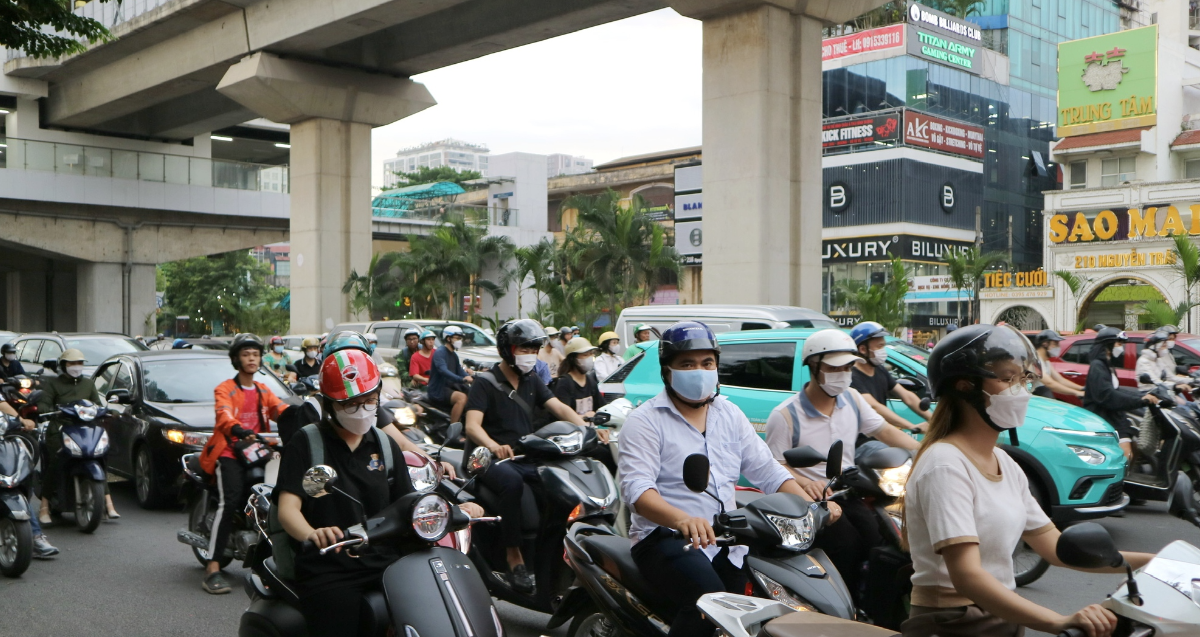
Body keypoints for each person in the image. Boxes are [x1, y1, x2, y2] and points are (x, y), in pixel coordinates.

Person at [902, 324, 1153, 637]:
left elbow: (1055, 548)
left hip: (1002, 616)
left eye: (1023, 379)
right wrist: (1057, 621)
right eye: (1008, 379)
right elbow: (966, 575)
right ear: (966, 386)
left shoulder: (1005, 463)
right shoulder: (945, 465)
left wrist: (1159, 563)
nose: (1020, 391)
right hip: (952, 621)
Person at [619, 321, 837, 637]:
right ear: (668, 370)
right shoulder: (645, 421)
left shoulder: (729, 414)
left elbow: (768, 470)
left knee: (759, 604)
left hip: (727, 539)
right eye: (687, 364)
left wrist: (812, 504)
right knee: (708, 603)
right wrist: (683, 520)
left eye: (707, 363)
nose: (699, 371)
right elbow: (638, 492)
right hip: (666, 539)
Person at [275, 346, 483, 637]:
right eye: (351, 404)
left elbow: (409, 503)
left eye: (369, 401)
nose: (362, 410)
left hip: (386, 561)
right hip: (331, 565)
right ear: (329, 404)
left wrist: (457, 510)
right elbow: (287, 508)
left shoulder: (385, 445)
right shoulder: (306, 443)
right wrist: (312, 534)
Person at [764, 329, 919, 600]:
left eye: (848, 367)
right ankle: (842, 607)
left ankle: (873, 604)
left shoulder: (852, 399)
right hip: (808, 501)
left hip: (846, 492)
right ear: (813, 366)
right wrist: (805, 482)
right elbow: (773, 465)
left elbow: (884, 431)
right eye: (835, 367)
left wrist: (927, 452)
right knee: (846, 545)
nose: (844, 374)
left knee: (881, 540)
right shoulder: (786, 415)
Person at [463, 319, 593, 593]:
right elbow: (472, 425)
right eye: (524, 347)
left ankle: (551, 554)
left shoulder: (532, 379)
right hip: (488, 458)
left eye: (534, 348)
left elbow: (559, 408)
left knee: (560, 483)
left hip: (524, 456)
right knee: (512, 484)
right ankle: (514, 557)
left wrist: (588, 428)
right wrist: (493, 445)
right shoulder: (485, 383)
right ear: (508, 350)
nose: (530, 353)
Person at [198, 333, 293, 594]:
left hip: (258, 452)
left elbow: (280, 410)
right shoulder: (225, 388)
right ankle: (213, 568)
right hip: (229, 452)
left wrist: (303, 414)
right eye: (245, 354)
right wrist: (238, 429)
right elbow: (224, 414)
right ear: (236, 359)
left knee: (277, 498)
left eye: (255, 354)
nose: (251, 358)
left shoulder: (264, 390)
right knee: (228, 502)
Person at [37, 349, 120, 523]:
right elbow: (44, 405)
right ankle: (44, 507)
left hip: (85, 429)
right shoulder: (53, 384)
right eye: (72, 363)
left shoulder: (88, 384)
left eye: (79, 363)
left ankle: (108, 503)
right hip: (60, 429)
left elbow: (97, 405)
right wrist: (50, 411)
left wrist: (108, 411)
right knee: (55, 462)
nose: (76, 367)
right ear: (63, 365)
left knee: (99, 458)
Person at [1081, 327, 1157, 460]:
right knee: (1125, 456)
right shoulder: (1097, 367)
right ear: (1108, 345)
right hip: (1105, 418)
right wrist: (1139, 401)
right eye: (1119, 344)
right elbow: (1108, 396)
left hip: (1115, 415)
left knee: (1134, 450)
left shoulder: (1107, 366)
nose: (1121, 348)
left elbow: (1117, 390)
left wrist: (1141, 396)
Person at [849, 321, 933, 434]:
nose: (883, 351)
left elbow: (907, 396)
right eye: (879, 346)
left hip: (882, 436)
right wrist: (911, 426)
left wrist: (933, 420)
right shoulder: (853, 377)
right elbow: (875, 407)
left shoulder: (879, 370)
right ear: (863, 349)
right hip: (864, 440)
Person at [428, 325, 473, 424]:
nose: (459, 341)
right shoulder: (440, 353)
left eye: (460, 338)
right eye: (457, 338)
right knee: (461, 398)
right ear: (448, 338)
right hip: (439, 389)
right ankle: (453, 429)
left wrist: (470, 376)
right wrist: (461, 380)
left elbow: (459, 370)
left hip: (451, 387)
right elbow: (443, 370)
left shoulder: (454, 355)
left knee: (474, 394)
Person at [1032, 330, 1084, 399]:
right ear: (1045, 344)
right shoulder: (1034, 361)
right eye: (1055, 343)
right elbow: (1049, 383)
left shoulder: (1046, 362)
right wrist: (1076, 392)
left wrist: (1082, 388)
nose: (1058, 346)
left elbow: (1060, 380)